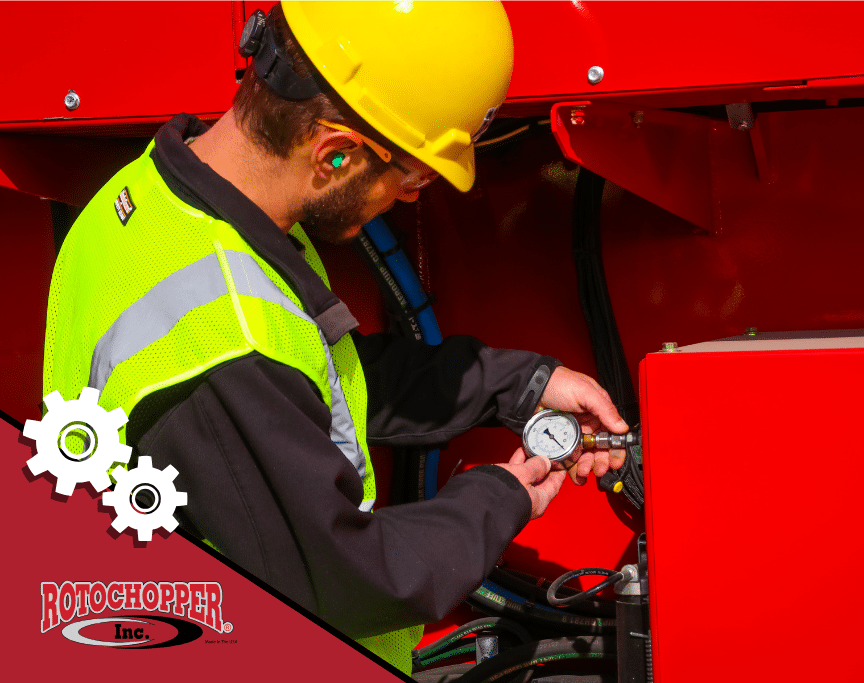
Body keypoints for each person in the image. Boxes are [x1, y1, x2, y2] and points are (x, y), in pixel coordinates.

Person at [42, 1, 628, 674]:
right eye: (413, 175)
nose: (412, 196)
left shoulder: (155, 202)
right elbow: (345, 580)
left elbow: (311, 378)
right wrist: (504, 493)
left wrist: (518, 384)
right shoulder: (221, 340)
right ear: (333, 153)